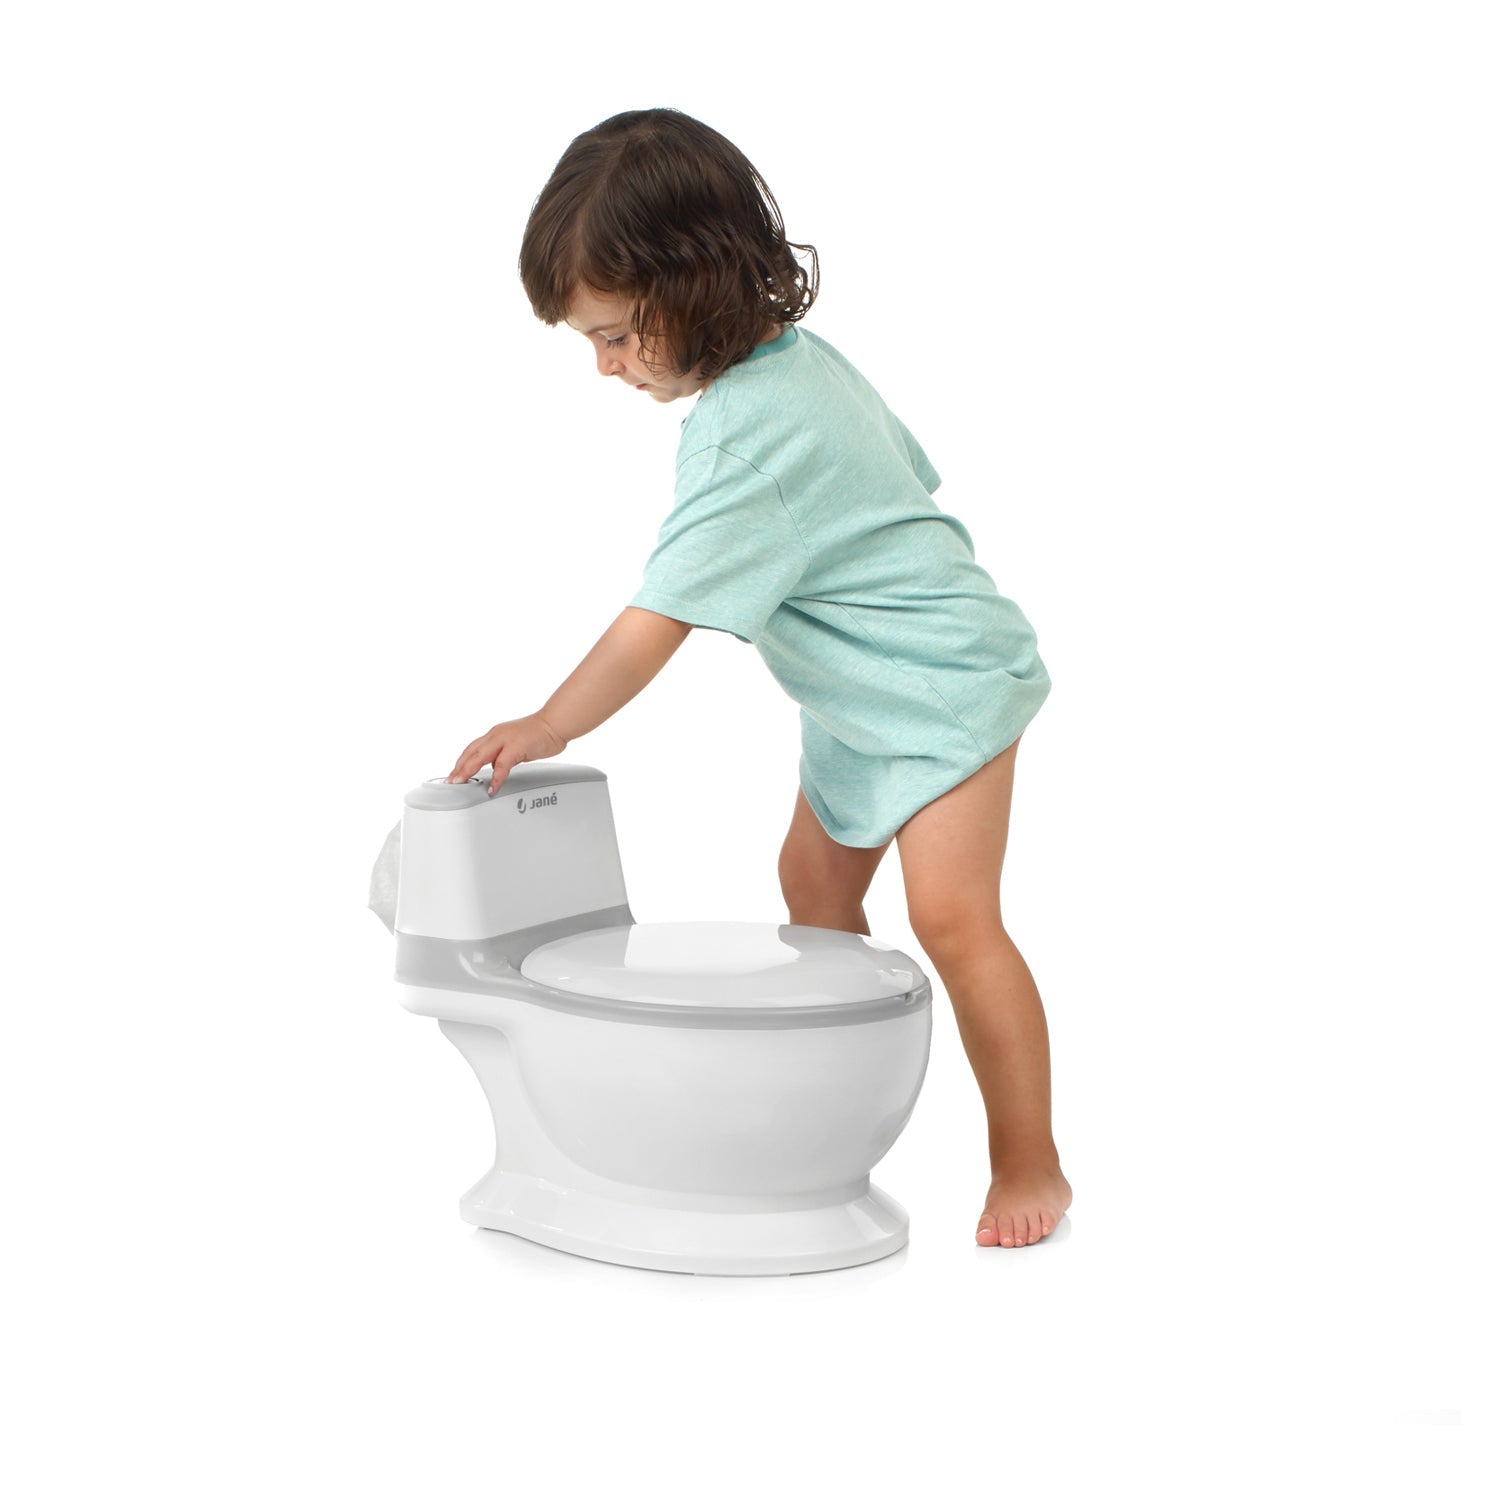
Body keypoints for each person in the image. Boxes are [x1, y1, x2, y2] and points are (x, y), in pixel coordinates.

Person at [447, 108, 1072, 1249]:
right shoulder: (800, 363)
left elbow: (656, 622)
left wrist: (550, 723)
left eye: (617, 336)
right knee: (811, 886)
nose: (605, 366)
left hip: (943, 692)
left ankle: (1029, 1158)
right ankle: (833, 1100)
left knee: (953, 919)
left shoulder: (745, 435)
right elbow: (909, 481)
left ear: (695, 284)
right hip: (860, 698)